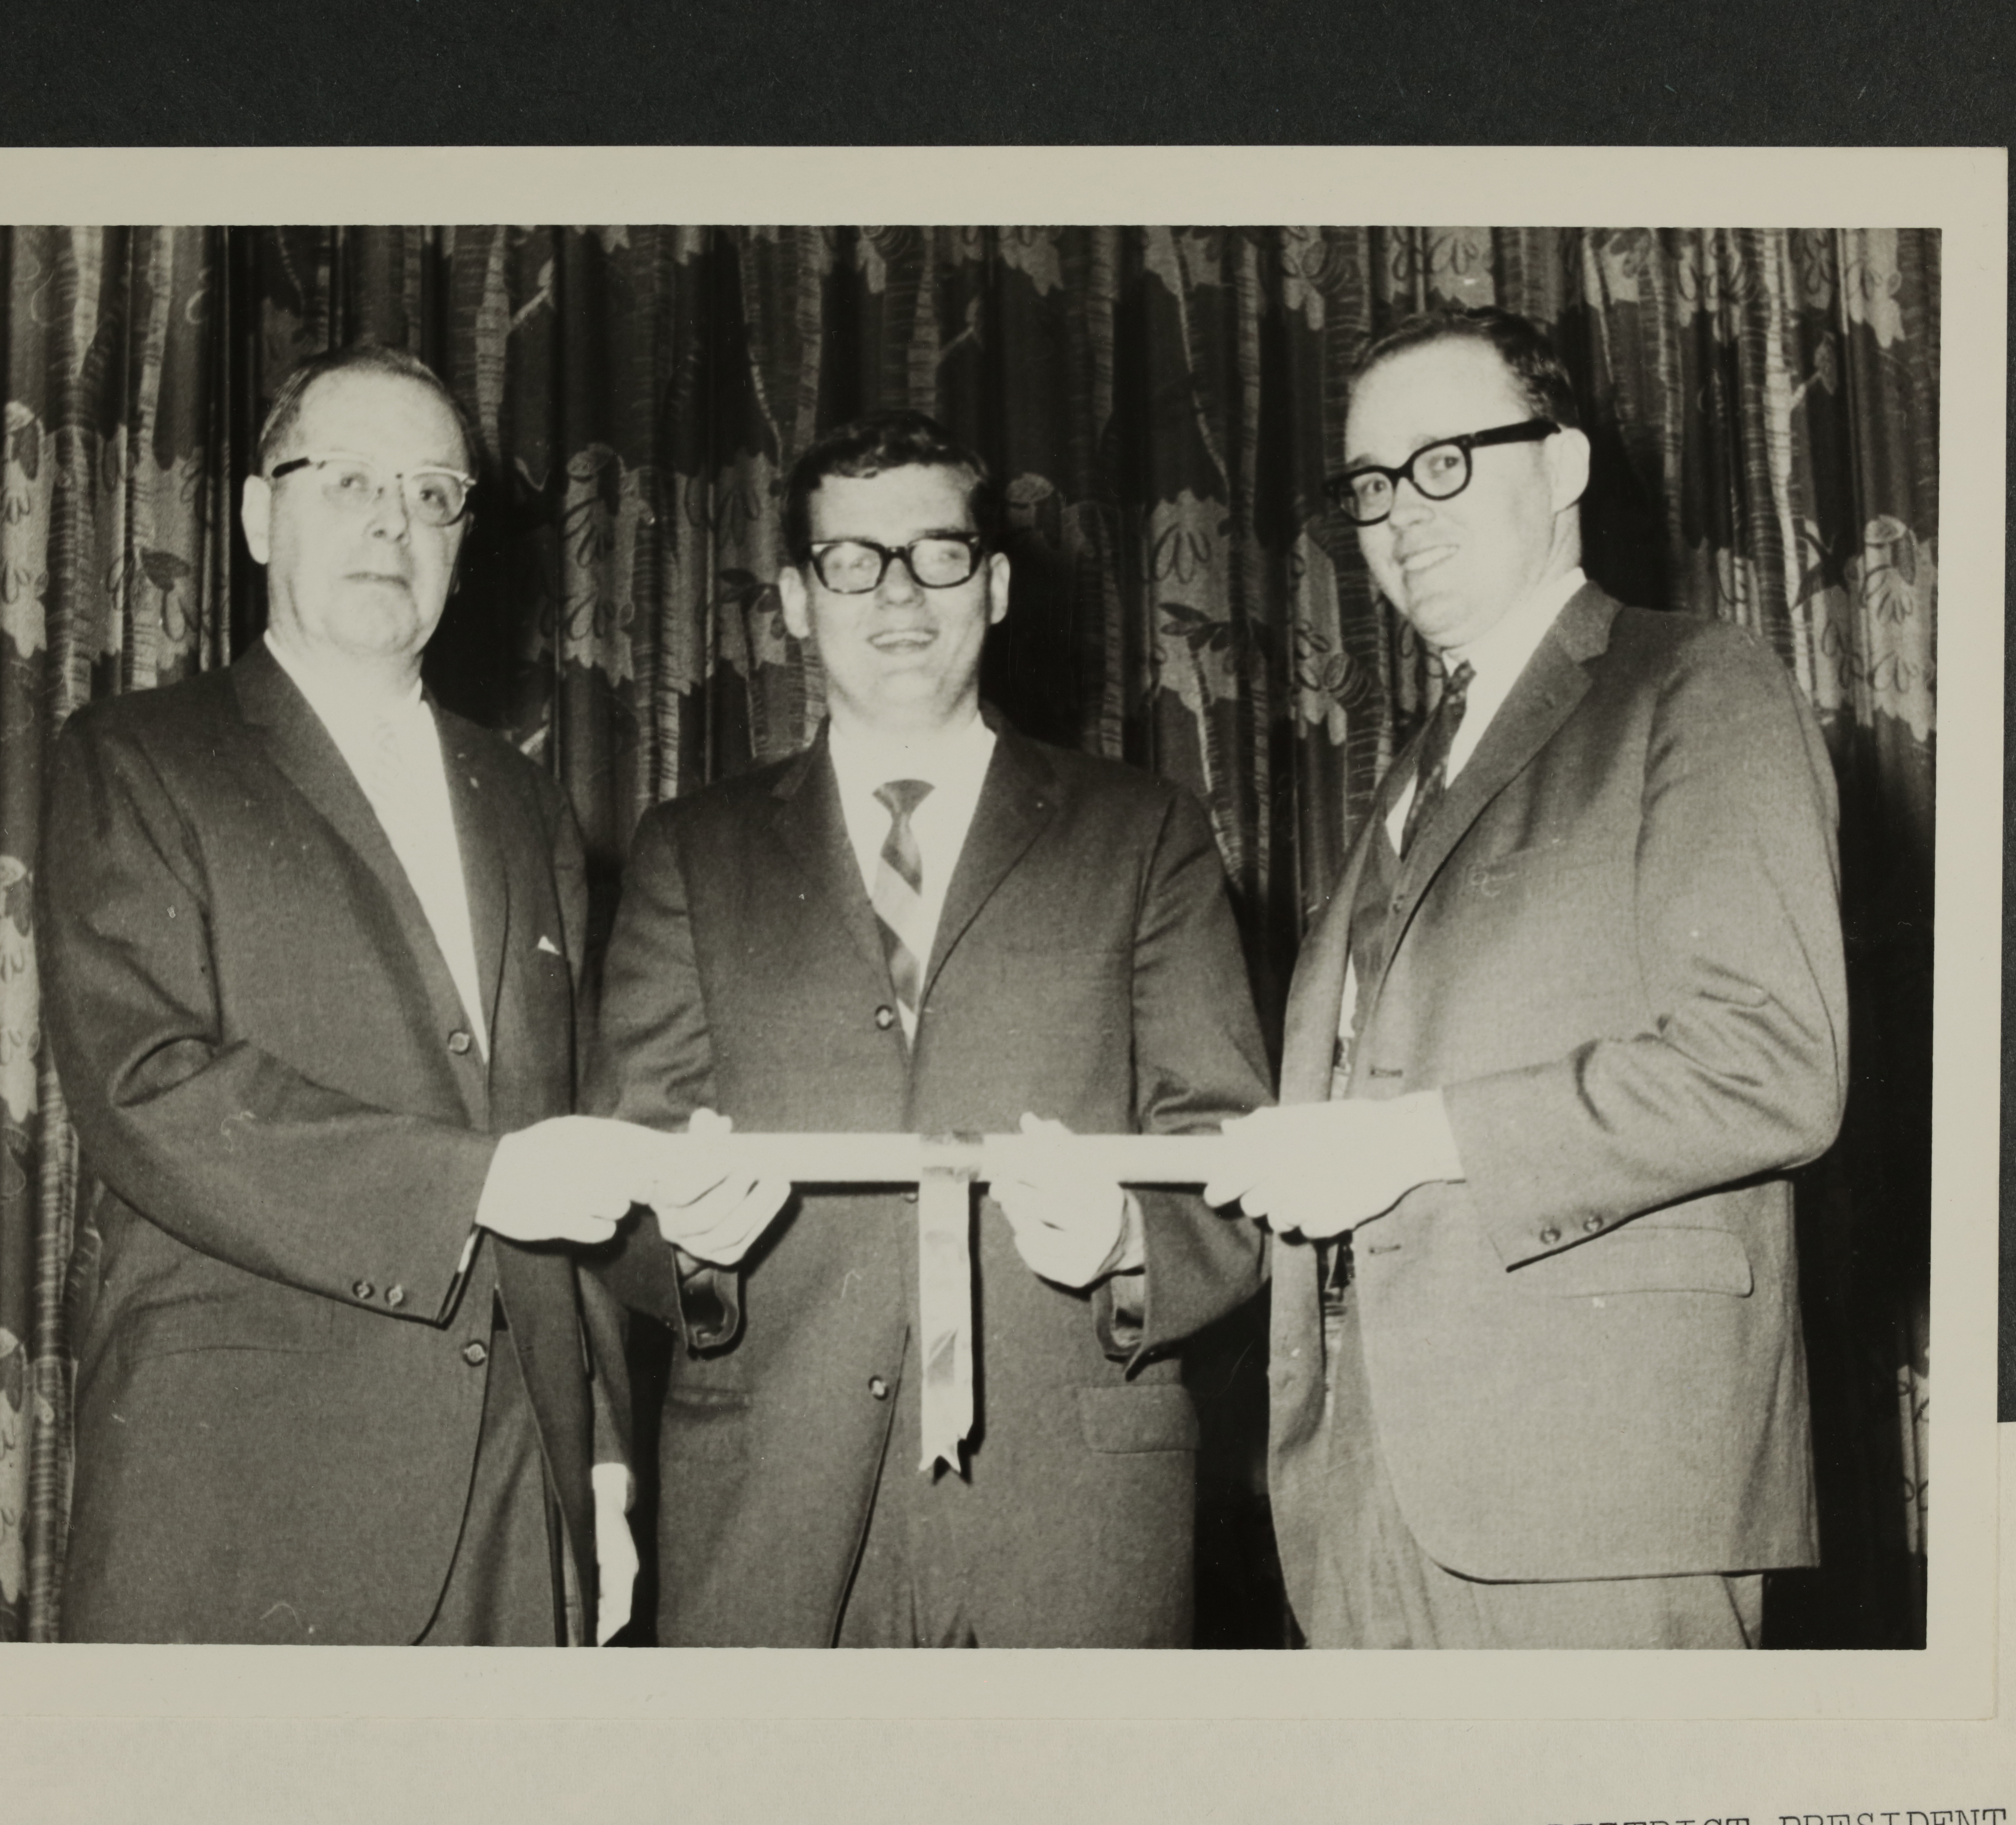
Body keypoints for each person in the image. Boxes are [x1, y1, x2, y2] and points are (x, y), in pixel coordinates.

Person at [1205, 307, 1848, 1649]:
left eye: (1443, 462)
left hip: (1600, 1488)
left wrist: (1408, 1141)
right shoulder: (1417, 766)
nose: (1400, 512)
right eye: (1370, 483)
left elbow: (1773, 1064)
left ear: (1562, 466)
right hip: (1365, 1487)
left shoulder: (1695, 684)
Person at [590, 410, 1273, 1648]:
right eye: (852, 561)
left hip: (1072, 1523)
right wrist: (683, 1240)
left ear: (994, 585)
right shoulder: (690, 851)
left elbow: (1229, 1160)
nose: (898, 594)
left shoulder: (1143, 833)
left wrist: (1127, 1238)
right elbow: (622, 1192)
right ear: (795, 602)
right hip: (770, 1514)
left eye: (937, 555)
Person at [41, 343, 675, 1647]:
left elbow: (563, 1130)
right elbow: (146, 1087)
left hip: (519, 1480)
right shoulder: (140, 758)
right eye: (348, 481)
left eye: (433, 493)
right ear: (257, 515)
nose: (394, 521)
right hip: (244, 1490)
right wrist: (472, 1185)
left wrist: (604, 1455)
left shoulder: (523, 800)